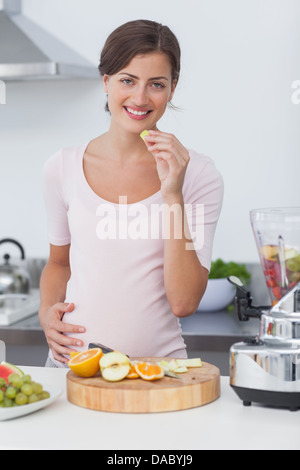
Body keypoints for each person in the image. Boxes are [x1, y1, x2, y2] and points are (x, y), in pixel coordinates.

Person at [40, 19, 224, 367]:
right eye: (128, 80)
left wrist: (173, 194)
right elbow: (57, 263)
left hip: (159, 372)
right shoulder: (61, 167)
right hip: (71, 369)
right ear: (106, 81)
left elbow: (184, 302)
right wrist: (47, 312)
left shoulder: (198, 174)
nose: (140, 98)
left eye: (156, 84)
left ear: (172, 88)